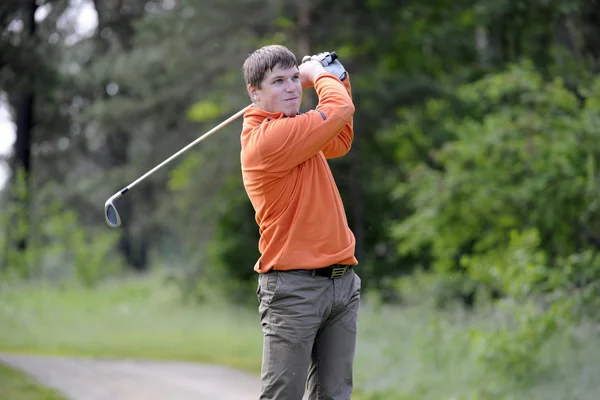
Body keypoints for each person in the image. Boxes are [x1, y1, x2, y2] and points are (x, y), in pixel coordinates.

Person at [240, 44, 361, 400]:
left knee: (334, 396)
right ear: (254, 92)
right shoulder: (269, 140)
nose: (293, 87)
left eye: (296, 78)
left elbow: (339, 138)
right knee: (283, 396)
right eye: (278, 81)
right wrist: (315, 73)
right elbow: (338, 108)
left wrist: (338, 77)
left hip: (342, 284)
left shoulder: (293, 129)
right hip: (294, 290)